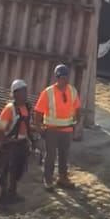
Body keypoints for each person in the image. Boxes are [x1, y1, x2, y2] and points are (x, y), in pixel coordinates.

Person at [34, 64, 81, 192]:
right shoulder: (48, 93)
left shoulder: (72, 91)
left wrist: (76, 122)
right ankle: (48, 180)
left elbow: (77, 107)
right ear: (57, 77)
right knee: (50, 155)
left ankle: (62, 177)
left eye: (66, 77)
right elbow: (38, 111)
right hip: (52, 129)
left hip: (66, 129)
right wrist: (38, 127)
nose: (64, 80)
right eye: (61, 77)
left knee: (64, 155)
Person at [0, 79, 34, 205]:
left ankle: (12, 193)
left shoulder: (26, 107)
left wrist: (32, 140)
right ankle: (2, 198)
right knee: (6, 172)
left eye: (26, 90)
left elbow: (27, 126)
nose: (25, 93)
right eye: (22, 91)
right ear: (15, 93)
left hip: (22, 144)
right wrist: (3, 143)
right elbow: (0, 129)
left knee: (18, 171)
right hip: (10, 145)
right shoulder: (9, 109)